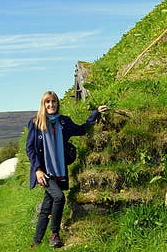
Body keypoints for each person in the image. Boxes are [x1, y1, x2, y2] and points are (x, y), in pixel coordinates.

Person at [25, 90, 107, 249]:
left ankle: (36, 241)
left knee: (47, 205)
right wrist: (37, 169)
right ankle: (54, 234)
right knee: (59, 197)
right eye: (47, 102)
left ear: (57, 103)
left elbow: (82, 129)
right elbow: (30, 149)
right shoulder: (35, 123)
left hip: (59, 170)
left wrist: (95, 113)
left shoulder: (64, 122)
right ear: (43, 105)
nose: (51, 105)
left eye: (53, 101)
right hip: (45, 172)